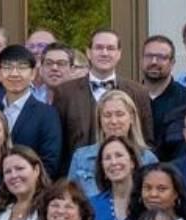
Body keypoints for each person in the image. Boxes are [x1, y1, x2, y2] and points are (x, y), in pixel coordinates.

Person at [51, 30, 155, 161]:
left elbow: (146, 139)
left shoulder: (139, 92)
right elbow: (58, 143)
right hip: (79, 174)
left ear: (119, 54)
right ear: (88, 52)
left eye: (110, 48)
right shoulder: (65, 92)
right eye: (99, 48)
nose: (104, 53)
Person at [66, 90, 157, 199]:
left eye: (119, 114)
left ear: (131, 118)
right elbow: (71, 199)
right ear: (100, 120)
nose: (113, 121)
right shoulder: (81, 158)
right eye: (107, 115)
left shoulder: (148, 159)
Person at [88, 137, 139, 220]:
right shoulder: (91, 205)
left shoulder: (146, 202)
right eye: (107, 158)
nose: (113, 162)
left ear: (132, 162)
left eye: (119, 155)